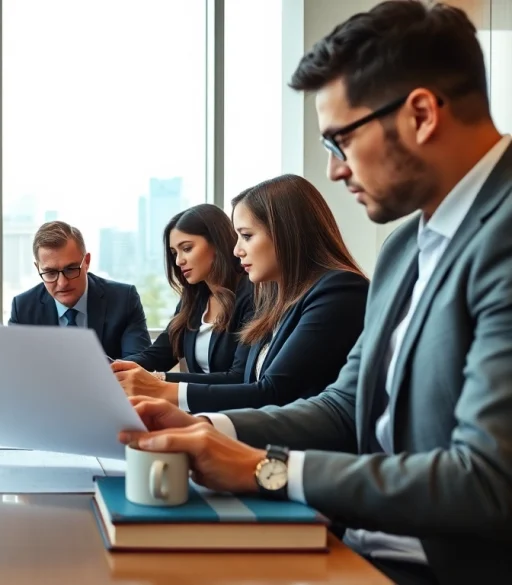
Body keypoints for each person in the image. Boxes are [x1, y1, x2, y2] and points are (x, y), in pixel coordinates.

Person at [118, 2, 512, 583]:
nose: (334, 170)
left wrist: (263, 470)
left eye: (339, 141)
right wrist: (208, 432)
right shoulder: (405, 248)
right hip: (354, 545)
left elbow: (485, 480)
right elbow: (342, 406)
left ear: (422, 114)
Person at [114, 174, 368, 413]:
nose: (236, 250)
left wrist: (163, 388)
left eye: (246, 236)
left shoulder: (338, 291)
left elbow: (273, 393)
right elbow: (250, 382)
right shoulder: (274, 298)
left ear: (284, 233)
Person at [120, 204, 254, 381]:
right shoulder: (194, 299)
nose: (178, 261)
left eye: (187, 248)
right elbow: (159, 354)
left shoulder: (251, 294)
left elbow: (239, 377)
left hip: (234, 407)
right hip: (197, 405)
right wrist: (114, 368)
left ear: (216, 243)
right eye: (174, 252)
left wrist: (160, 379)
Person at [9, 221, 151, 359]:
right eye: (50, 273)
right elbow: (16, 369)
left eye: (70, 269)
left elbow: (138, 369)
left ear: (87, 262)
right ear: (38, 268)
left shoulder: (123, 300)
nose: (62, 283)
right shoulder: (23, 308)